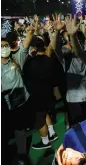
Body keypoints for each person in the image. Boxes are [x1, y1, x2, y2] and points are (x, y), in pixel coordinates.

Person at [1, 26, 34, 163]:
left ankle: (22, 153)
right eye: (1, 46)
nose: (4, 48)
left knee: (20, 130)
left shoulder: (16, 58)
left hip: (22, 102)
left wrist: (31, 32)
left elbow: (26, 44)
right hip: (7, 106)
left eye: (6, 45)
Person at [23, 36, 60, 149]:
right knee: (45, 113)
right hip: (48, 93)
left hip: (37, 96)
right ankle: (52, 133)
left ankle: (45, 142)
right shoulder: (50, 60)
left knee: (39, 120)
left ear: (33, 48)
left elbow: (25, 76)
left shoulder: (30, 63)